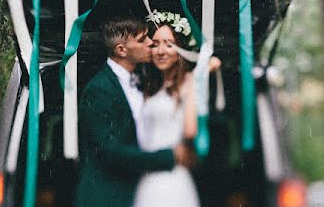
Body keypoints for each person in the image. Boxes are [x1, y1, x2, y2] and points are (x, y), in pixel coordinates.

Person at [75, 15, 196, 207]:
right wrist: (169, 157)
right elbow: (110, 153)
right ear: (121, 50)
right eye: (143, 40)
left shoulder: (144, 83)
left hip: (146, 189)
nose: (151, 44)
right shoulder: (99, 90)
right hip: (108, 198)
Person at [133, 12, 219, 207]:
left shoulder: (189, 81)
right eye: (155, 44)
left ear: (180, 48)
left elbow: (190, 130)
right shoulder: (149, 86)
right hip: (146, 174)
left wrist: (199, 78)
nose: (161, 51)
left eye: (169, 44)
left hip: (172, 174)